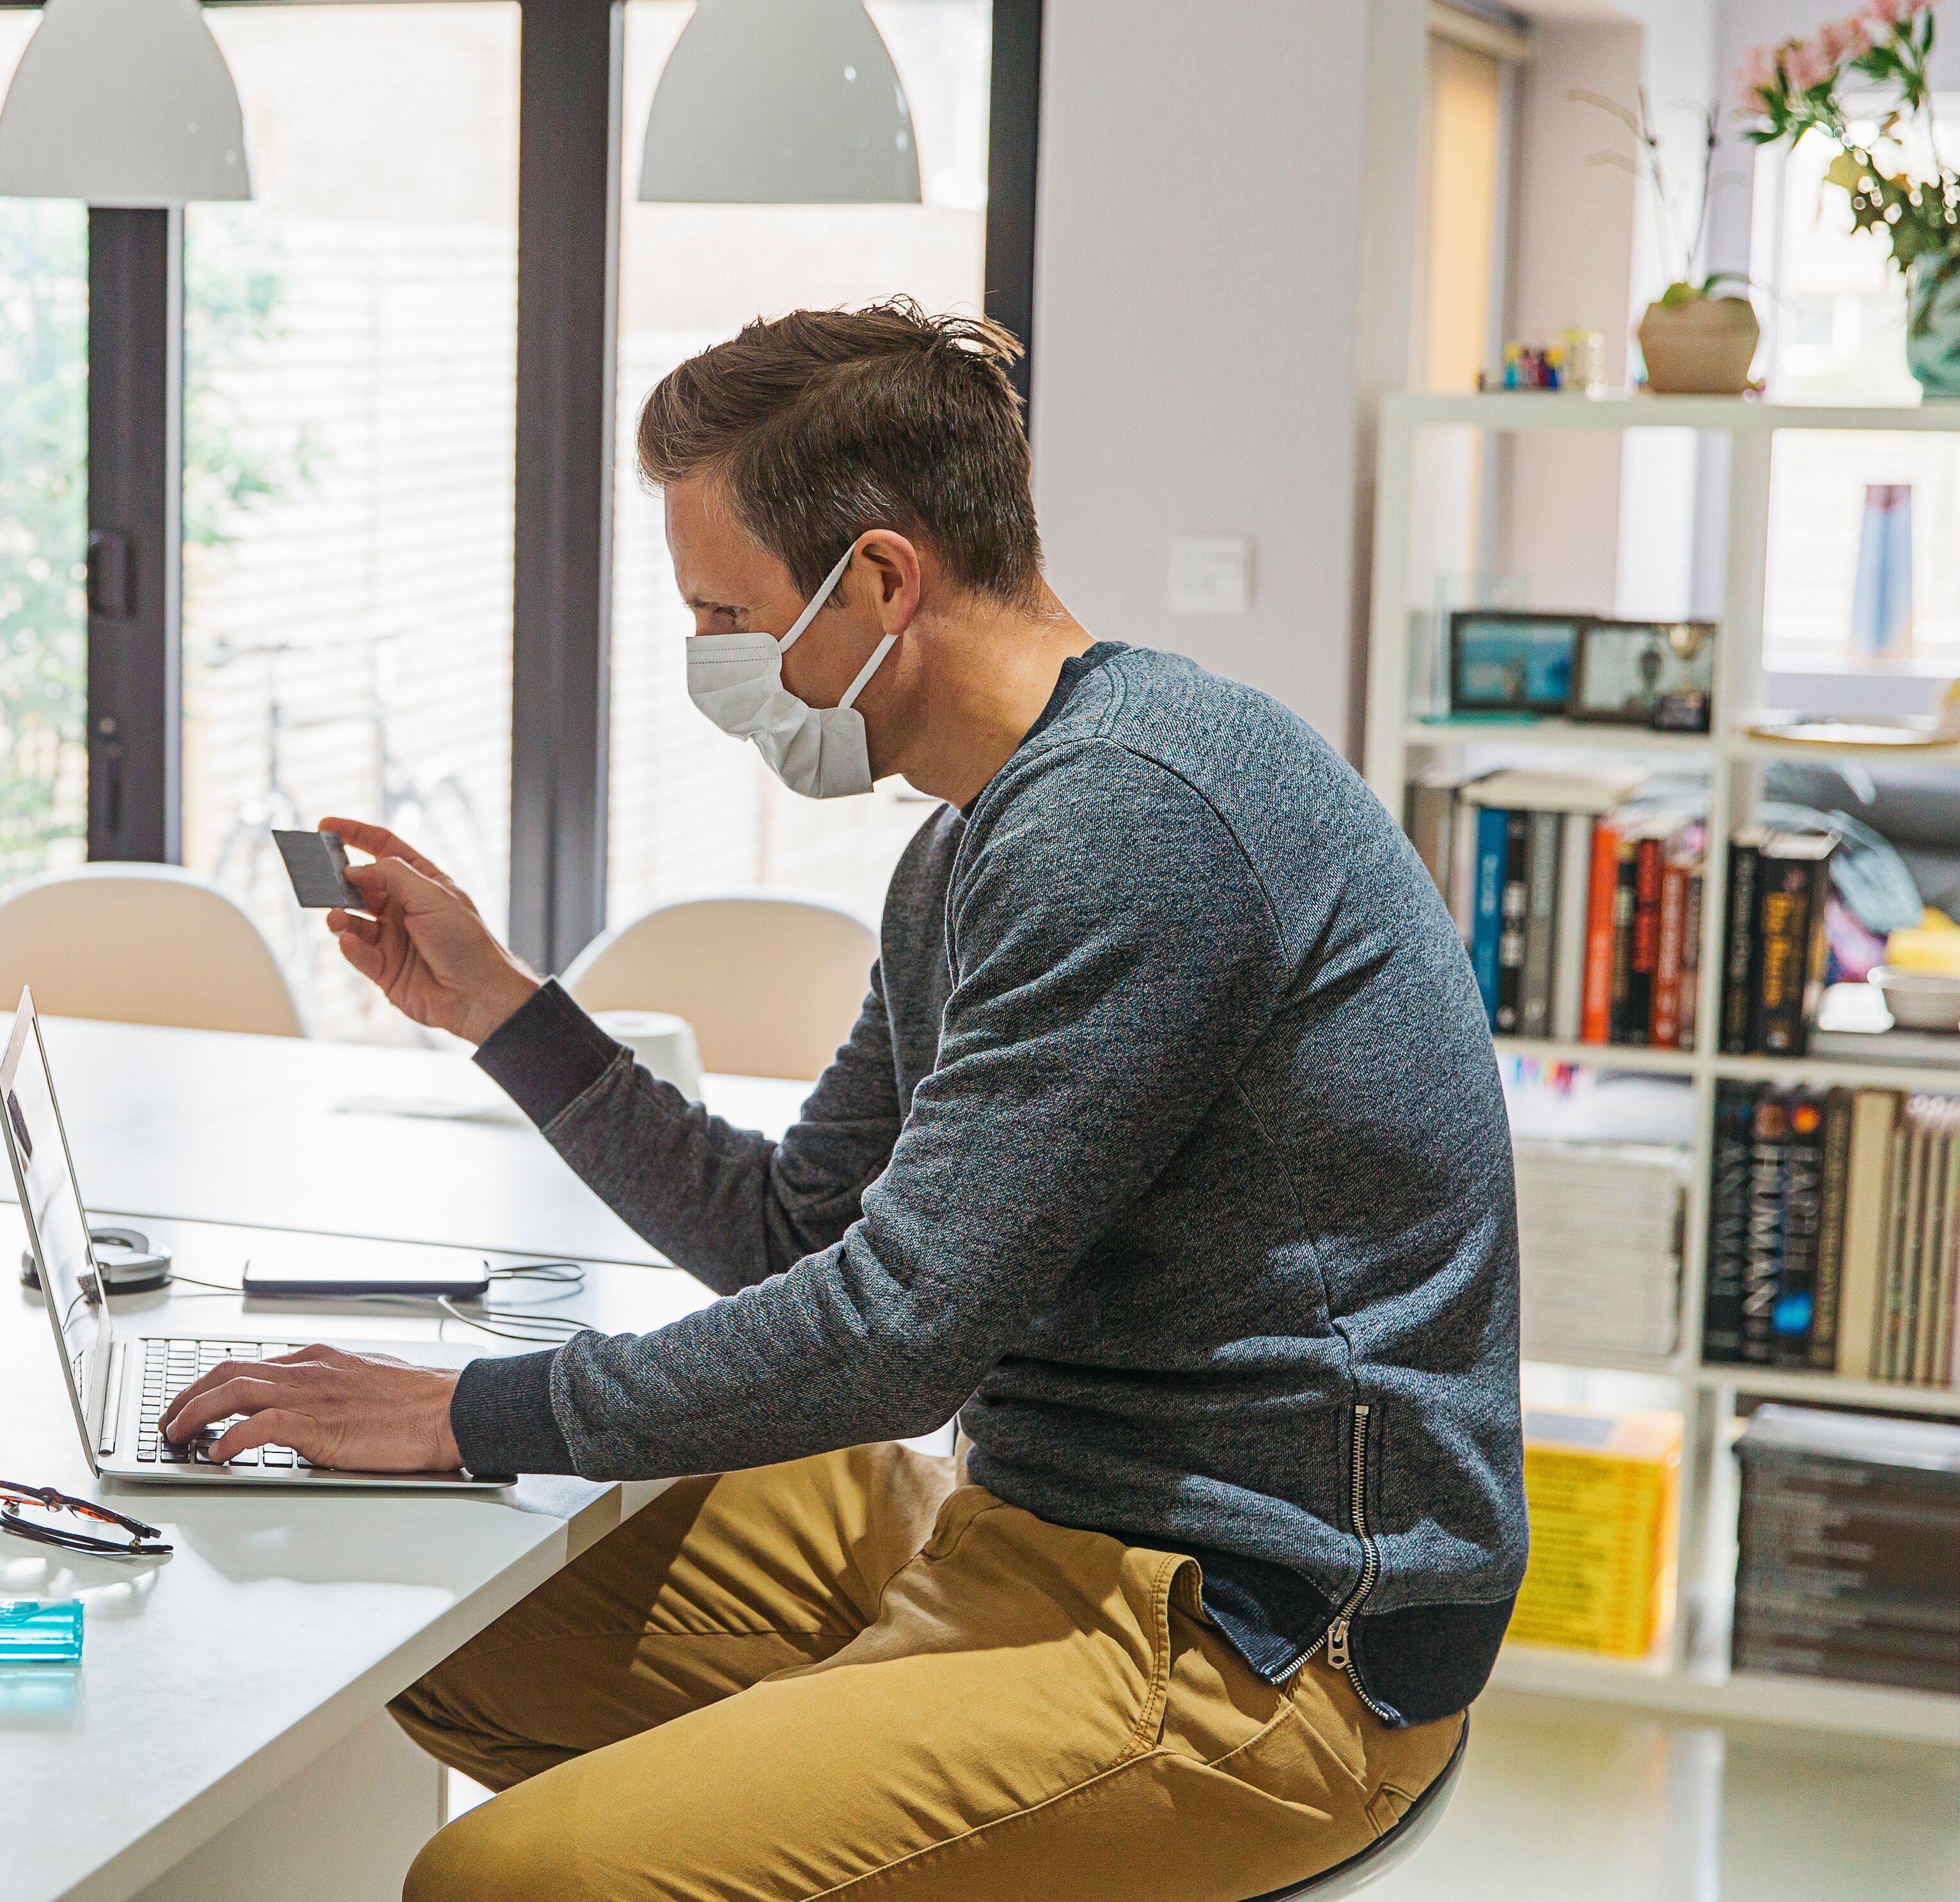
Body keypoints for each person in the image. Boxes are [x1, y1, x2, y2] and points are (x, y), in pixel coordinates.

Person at [157, 301, 1525, 1901]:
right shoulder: (969, 842)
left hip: (1258, 1633)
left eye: (724, 614)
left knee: (504, 1882)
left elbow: (897, 1331)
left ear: (879, 580)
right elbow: (795, 1228)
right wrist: (501, 1009)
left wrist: (464, 1410)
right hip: (1033, 1514)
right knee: (430, 1630)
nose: (707, 663)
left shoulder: (1125, 822)